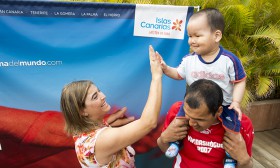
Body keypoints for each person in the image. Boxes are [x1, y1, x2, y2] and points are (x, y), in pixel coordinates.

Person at [154, 8, 246, 161]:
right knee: (179, 121)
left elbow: (240, 81)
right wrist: (165, 68)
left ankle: (230, 157)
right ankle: (176, 142)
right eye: (190, 36)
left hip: (223, 106)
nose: (192, 40)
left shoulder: (229, 60)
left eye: (197, 35)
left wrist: (236, 102)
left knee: (232, 132)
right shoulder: (189, 60)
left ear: (216, 35)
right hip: (194, 106)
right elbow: (177, 74)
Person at [60, 45, 162, 168]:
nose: (103, 96)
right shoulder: (101, 140)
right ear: (82, 112)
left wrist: (106, 123)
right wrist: (156, 77)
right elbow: (148, 123)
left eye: (99, 91)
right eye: (95, 97)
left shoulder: (83, 132)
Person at [157, 79, 254, 168]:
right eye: (187, 114)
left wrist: (244, 160)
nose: (191, 123)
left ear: (218, 111)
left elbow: (246, 165)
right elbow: (167, 150)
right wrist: (163, 139)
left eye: (199, 119)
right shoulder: (177, 112)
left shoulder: (240, 125)